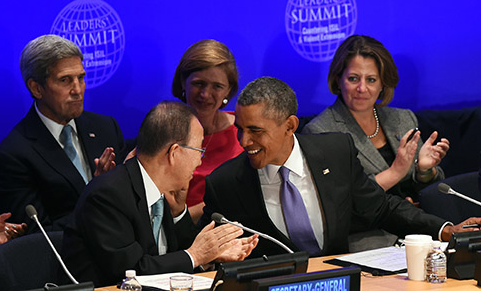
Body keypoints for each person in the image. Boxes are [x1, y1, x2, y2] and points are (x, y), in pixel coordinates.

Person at [200, 77, 480, 258]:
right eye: (240, 129)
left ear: (290, 126)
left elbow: (380, 208)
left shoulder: (334, 152)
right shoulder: (225, 183)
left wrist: (445, 229)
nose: (244, 140)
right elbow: (207, 252)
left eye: (255, 131)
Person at [62, 101, 258, 287]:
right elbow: (130, 273)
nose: (199, 162)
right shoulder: (107, 195)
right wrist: (195, 255)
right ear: (175, 152)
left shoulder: (159, 191)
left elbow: (172, 258)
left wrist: (208, 256)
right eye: (199, 150)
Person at [0, 35, 128, 233]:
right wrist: (96, 194)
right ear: (36, 88)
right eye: (65, 80)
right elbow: (38, 236)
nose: (78, 90)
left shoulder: (106, 128)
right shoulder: (13, 155)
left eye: (80, 78)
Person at [302, 35, 449, 202]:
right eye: (353, 79)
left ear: (382, 85)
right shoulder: (321, 132)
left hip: (421, 220)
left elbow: (435, 190)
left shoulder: (403, 119)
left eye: (371, 80)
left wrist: (424, 171)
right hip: (372, 227)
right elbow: (341, 199)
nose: (362, 88)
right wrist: (395, 172)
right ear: (338, 79)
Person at [172, 39, 243, 222]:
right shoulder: (164, 132)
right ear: (183, 81)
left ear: (228, 91)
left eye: (217, 86)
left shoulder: (242, 131)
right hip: (180, 234)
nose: (205, 94)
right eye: (199, 83)